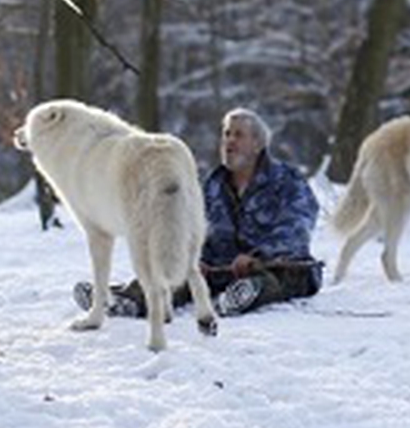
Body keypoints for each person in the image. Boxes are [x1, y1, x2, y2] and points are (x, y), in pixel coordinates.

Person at [73, 107, 324, 318]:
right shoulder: (211, 185)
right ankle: (125, 300)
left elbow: (298, 226)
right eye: (226, 134)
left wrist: (257, 256)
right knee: (175, 272)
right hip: (220, 270)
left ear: (257, 143)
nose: (229, 141)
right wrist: (194, 258)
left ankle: (244, 295)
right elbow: (191, 227)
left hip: (279, 265)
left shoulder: (287, 181)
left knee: (273, 280)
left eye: (238, 135)